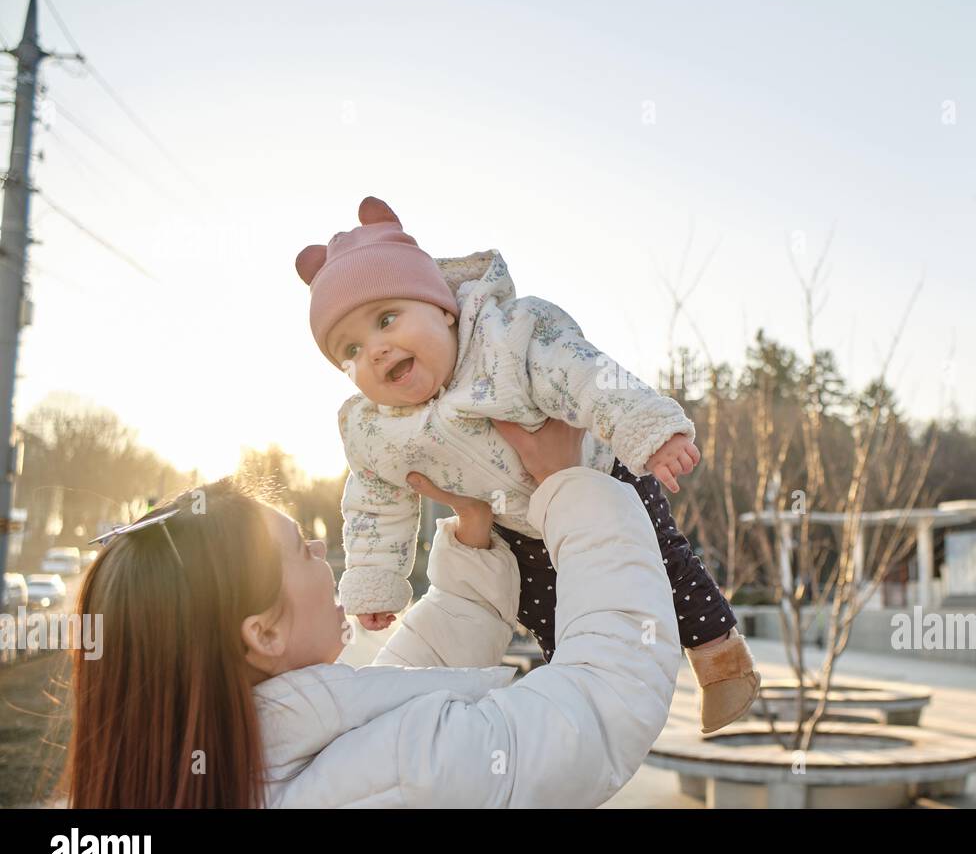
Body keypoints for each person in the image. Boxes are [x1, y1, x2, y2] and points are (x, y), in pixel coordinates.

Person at [292, 195, 758, 732]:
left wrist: (646, 429)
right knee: (542, 606)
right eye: (349, 348)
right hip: (517, 524)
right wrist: (376, 579)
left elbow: (587, 376)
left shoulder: (509, 340)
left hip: (598, 476)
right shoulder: (376, 430)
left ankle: (721, 659)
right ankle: (575, 682)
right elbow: (375, 504)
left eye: (387, 318)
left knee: (661, 560)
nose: (373, 349)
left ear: (443, 306)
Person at [63, 418, 680, 807]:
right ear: (264, 632)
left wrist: (470, 546)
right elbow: (603, 705)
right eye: (300, 550)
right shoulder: (402, 773)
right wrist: (574, 486)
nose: (320, 553)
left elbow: (397, 692)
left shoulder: (232, 760)